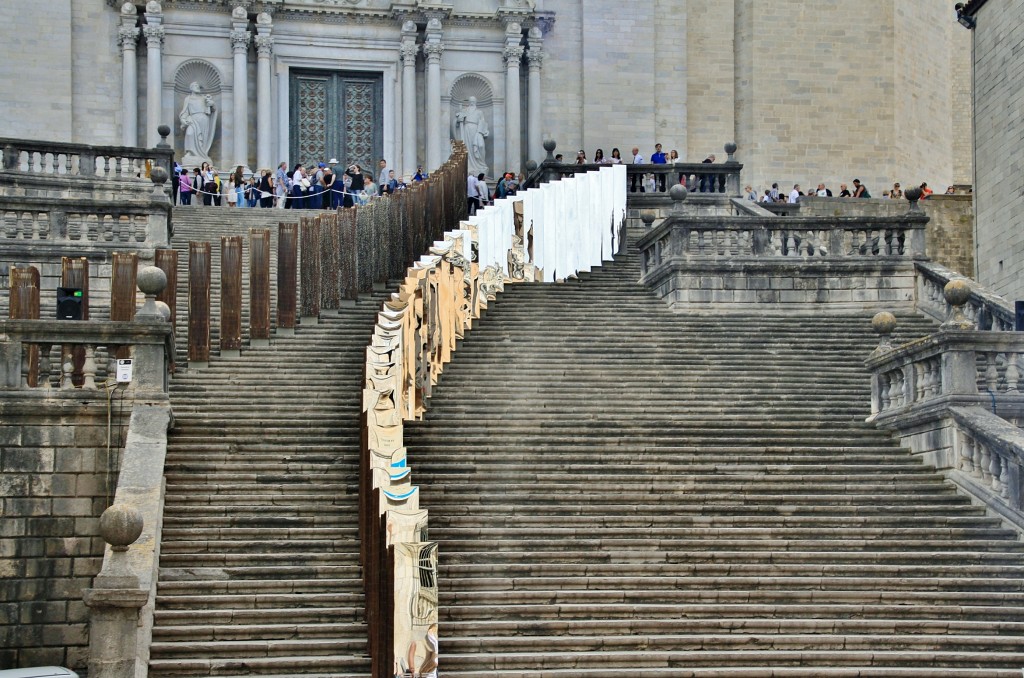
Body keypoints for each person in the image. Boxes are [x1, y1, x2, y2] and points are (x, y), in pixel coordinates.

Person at [179, 81, 217, 166]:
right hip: (193, 119)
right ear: (191, 88)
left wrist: (212, 104)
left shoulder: (204, 98)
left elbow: (213, 110)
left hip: (204, 119)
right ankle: (190, 152)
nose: (197, 87)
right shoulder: (188, 99)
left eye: (198, 86)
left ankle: (202, 154)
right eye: (195, 85)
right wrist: (183, 120)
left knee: (202, 139)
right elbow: (185, 111)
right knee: (189, 133)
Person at [454, 96, 489, 175]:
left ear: (476, 102)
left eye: (473, 101)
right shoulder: (464, 110)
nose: (472, 102)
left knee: (480, 146)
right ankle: (469, 166)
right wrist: (460, 117)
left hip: (476, 130)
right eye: (471, 101)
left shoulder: (479, 112)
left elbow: (483, 122)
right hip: (466, 129)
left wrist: (484, 131)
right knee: (467, 147)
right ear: (469, 102)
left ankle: (480, 165)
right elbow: (458, 121)